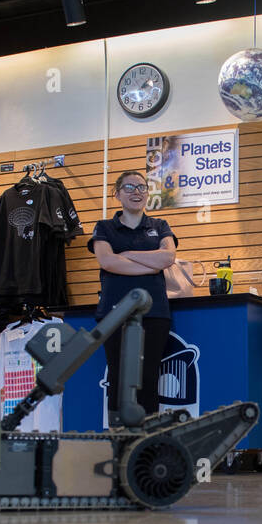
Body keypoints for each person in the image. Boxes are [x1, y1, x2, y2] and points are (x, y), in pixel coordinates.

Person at [88, 171, 176, 427]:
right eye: (129, 187)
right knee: (118, 377)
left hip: (154, 313)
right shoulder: (104, 227)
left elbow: (168, 258)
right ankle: (119, 441)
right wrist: (150, 263)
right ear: (116, 194)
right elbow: (106, 261)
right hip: (114, 313)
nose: (136, 192)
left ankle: (146, 442)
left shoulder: (160, 225)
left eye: (141, 187)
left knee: (148, 377)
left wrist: (125, 254)